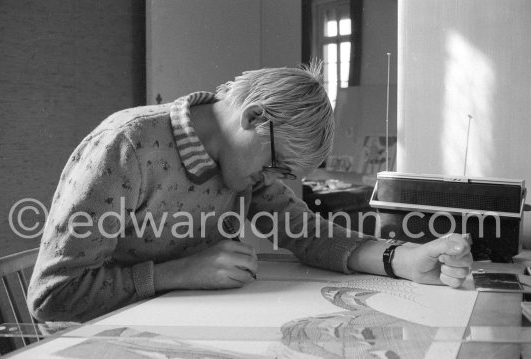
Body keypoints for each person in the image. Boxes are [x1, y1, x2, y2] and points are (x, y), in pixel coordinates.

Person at [27, 61, 472, 323]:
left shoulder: (244, 165)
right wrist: (177, 273)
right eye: (276, 165)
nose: (274, 181)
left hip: (183, 326)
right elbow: (52, 296)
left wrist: (404, 259)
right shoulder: (127, 146)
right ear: (254, 117)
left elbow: (307, 234)